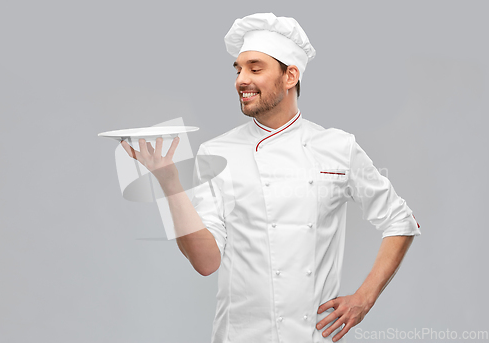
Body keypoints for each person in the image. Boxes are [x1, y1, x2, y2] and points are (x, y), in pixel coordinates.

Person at [121, 12, 421, 343]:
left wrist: (364, 299)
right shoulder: (216, 152)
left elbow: (400, 220)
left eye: (255, 68)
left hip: (312, 336)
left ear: (290, 75)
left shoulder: (338, 147)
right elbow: (206, 262)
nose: (240, 80)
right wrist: (170, 184)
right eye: (238, 70)